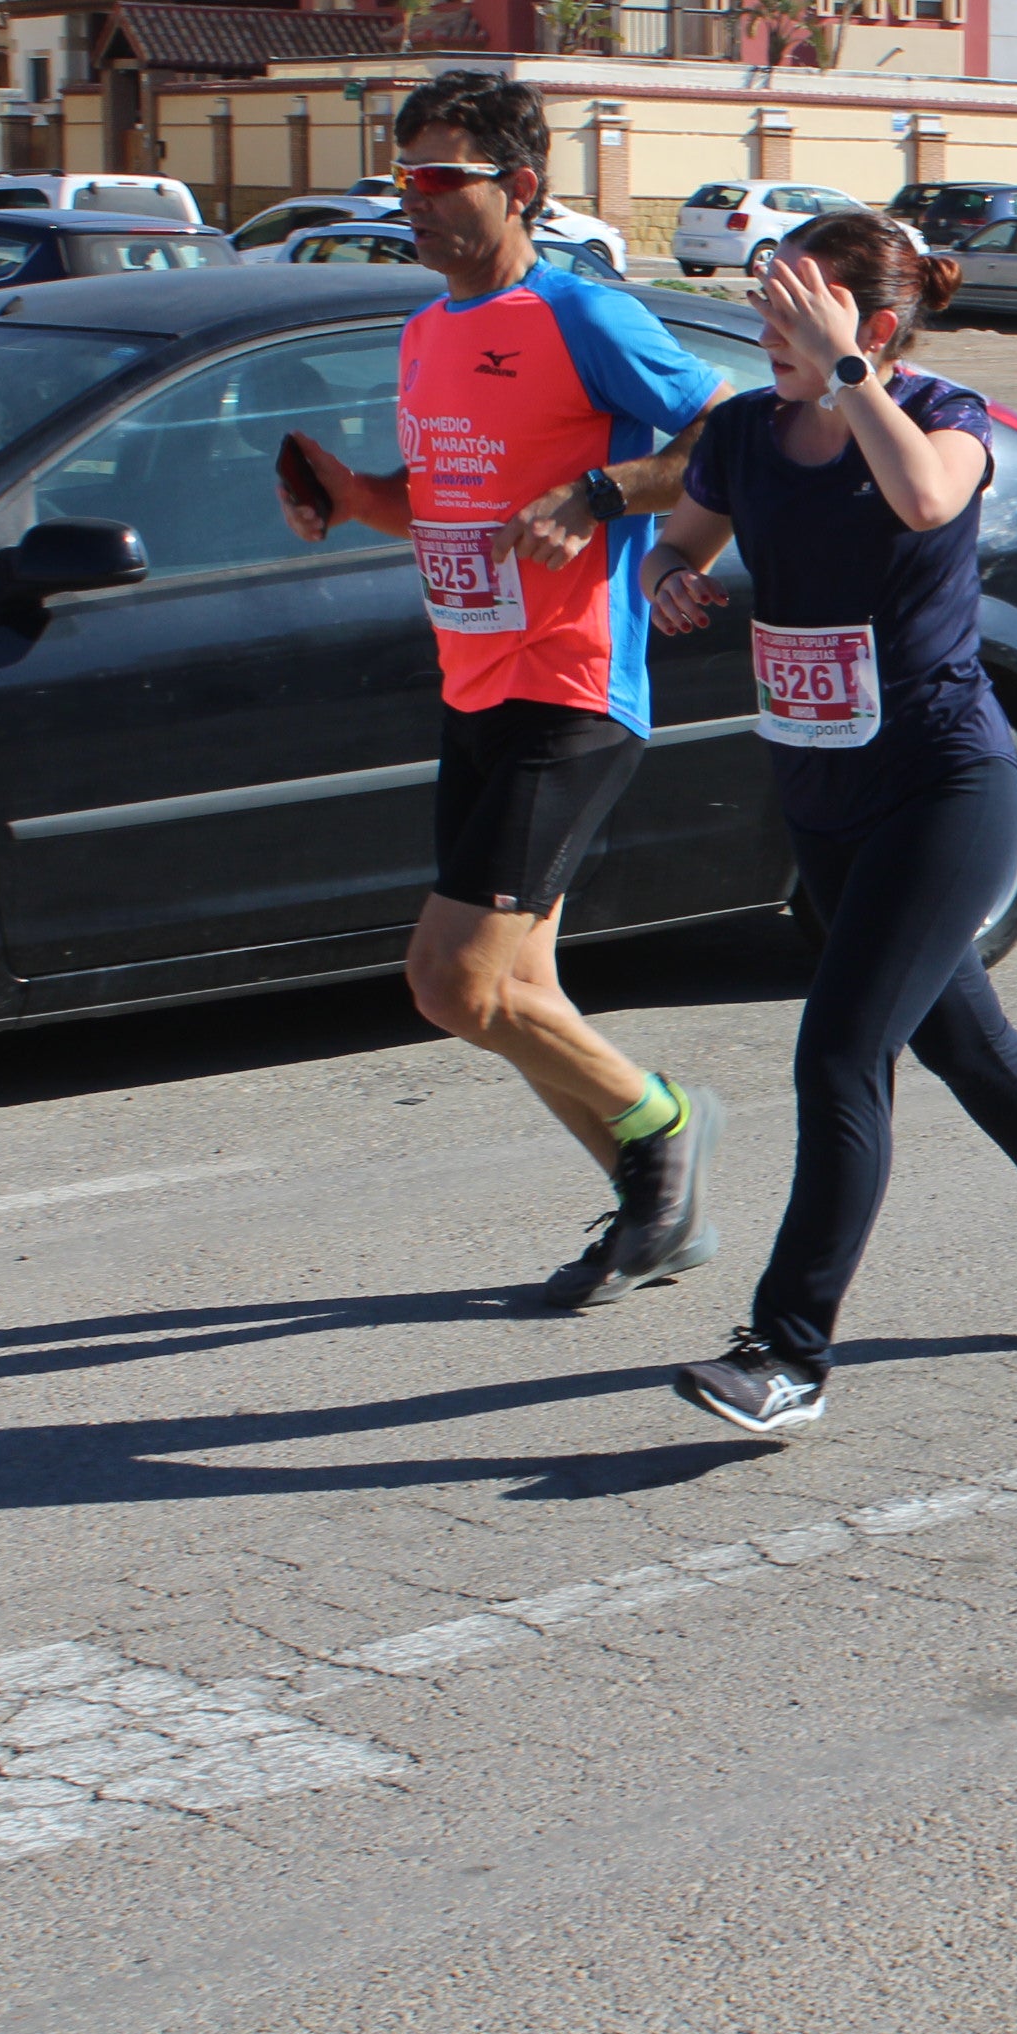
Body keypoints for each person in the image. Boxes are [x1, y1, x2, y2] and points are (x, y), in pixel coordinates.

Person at [643, 214, 1017, 1434]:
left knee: (839, 1052)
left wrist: (855, 374)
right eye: (766, 310)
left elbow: (924, 500)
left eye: (796, 314)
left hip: (946, 785)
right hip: (821, 790)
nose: (767, 334)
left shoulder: (944, 418)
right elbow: (683, 532)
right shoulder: (745, 436)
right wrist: (671, 578)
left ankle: (789, 1352)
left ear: (871, 326)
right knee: (960, 1042)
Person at [277, 69, 731, 1311]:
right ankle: (661, 1218)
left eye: (438, 177)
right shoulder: (427, 333)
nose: (411, 202)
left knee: (451, 984)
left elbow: (721, 440)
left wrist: (598, 497)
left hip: (575, 682)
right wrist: (351, 494)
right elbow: (448, 495)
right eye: (402, 179)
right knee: (521, 989)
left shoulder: (582, 316)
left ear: (517, 186)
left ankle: (665, 1127)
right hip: (475, 681)